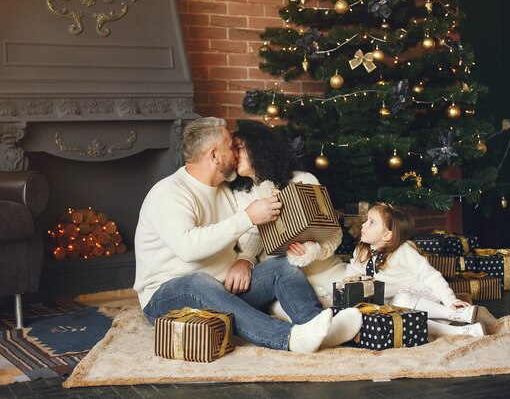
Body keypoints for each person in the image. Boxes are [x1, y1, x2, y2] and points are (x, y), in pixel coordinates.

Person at [134, 117, 362, 353]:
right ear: (214, 155)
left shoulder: (224, 191)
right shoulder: (169, 192)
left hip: (222, 291)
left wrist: (246, 260)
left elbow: (246, 243)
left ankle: (317, 326)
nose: (235, 153)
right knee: (197, 281)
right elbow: (188, 249)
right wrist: (247, 217)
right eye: (230, 146)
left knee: (282, 267)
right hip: (166, 297)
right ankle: (288, 338)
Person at [229, 121, 348, 314]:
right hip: (283, 283)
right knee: (291, 314)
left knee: (360, 304)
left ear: (259, 149)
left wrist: (314, 251)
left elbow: (333, 233)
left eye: (239, 148)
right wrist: (262, 210)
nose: (234, 154)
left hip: (325, 270)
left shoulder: (303, 180)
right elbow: (247, 248)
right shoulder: (241, 194)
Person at [345, 202, 487, 336]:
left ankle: (456, 314)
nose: (363, 225)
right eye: (366, 220)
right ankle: (464, 332)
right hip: (397, 309)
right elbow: (353, 270)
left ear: (387, 235)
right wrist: (349, 281)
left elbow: (430, 276)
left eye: (371, 222)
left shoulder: (402, 250)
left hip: (422, 301)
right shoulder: (361, 251)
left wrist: (450, 300)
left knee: (401, 299)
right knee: (399, 320)